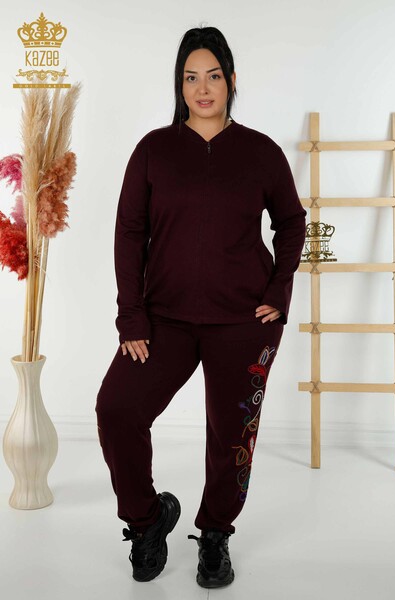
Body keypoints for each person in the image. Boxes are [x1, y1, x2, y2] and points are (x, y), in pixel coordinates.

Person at [95, 25, 307, 589]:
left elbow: (292, 223)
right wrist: (131, 314)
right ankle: (146, 522)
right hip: (162, 320)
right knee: (117, 409)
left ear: (231, 80)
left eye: (213, 76)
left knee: (231, 436)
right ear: (179, 84)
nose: (203, 88)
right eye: (191, 78)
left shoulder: (261, 152)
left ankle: (215, 534)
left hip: (244, 321)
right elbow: (128, 233)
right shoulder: (153, 150)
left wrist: (278, 291)